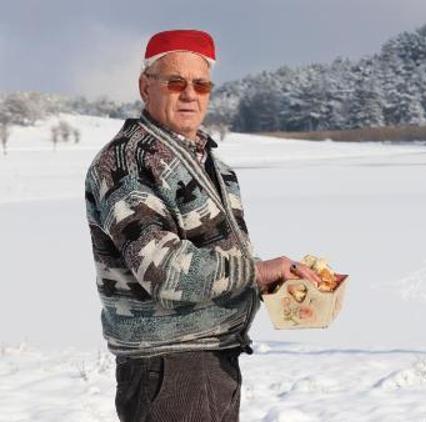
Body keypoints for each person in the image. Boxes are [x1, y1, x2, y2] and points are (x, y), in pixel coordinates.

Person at [83, 29, 322, 422]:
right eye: (175, 82)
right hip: (170, 369)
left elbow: (216, 257)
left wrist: (267, 280)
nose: (190, 94)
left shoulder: (212, 163)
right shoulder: (126, 163)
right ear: (146, 87)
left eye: (201, 84)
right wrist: (255, 271)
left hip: (212, 359)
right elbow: (163, 269)